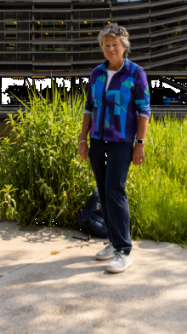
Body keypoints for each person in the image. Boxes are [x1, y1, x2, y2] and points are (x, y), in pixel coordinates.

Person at [77, 24, 150, 274]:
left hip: (122, 140)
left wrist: (139, 144)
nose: (110, 49)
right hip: (97, 139)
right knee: (103, 190)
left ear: (124, 46)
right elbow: (88, 107)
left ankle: (124, 250)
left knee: (114, 190)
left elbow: (144, 110)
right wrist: (82, 140)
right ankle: (112, 241)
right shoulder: (97, 72)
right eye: (106, 45)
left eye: (114, 45)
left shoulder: (135, 73)